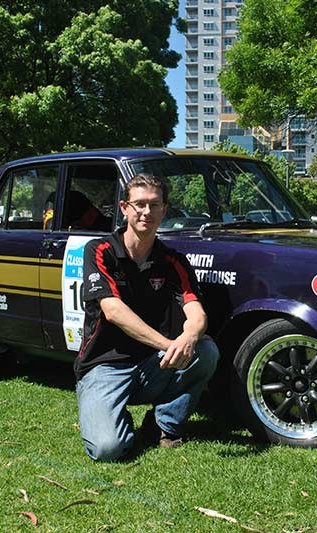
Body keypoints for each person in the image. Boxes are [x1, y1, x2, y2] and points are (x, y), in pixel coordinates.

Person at [76, 173, 220, 462]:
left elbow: (196, 312)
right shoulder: (100, 251)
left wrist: (189, 337)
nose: (147, 212)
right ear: (124, 208)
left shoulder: (173, 260)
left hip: (152, 365)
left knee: (205, 350)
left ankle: (162, 425)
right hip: (105, 366)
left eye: (155, 205)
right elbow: (113, 311)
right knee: (107, 449)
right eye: (139, 204)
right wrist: (168, 344)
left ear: (165, 210)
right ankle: (114, 420)